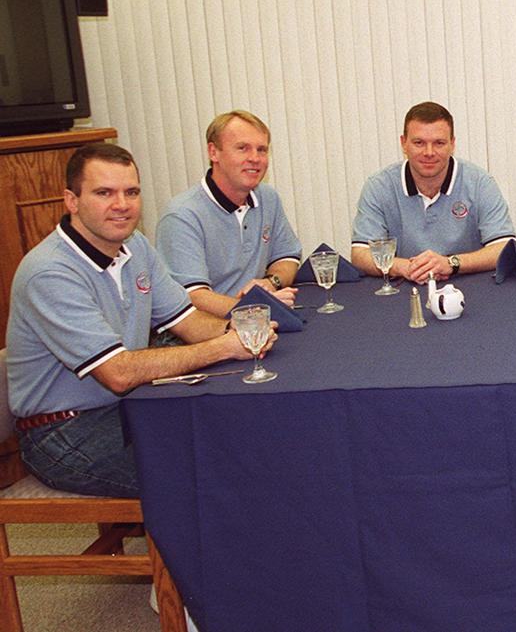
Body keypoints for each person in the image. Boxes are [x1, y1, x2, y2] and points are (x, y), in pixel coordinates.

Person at [5, 144, 275, 498]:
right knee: (218, 471)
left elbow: (188, 319)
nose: (122, 205)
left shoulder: (136, 247)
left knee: (240, 437)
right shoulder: (49, 272)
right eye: (104, 193)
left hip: (125, 407)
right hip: (63, 431)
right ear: (71, 200)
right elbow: (118, 373)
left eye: (131, 192)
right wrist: (222, 347)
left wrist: (239, 332)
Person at [156, 110, 303, 317]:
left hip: (255, 321)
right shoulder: (182, 216)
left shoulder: (267, 198)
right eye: (242, 148)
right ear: (213, 152)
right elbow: (193, 297)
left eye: (261, 150)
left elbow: (287, 257)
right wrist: (259, 309)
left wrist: (271, 282)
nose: (255, 158)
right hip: (208, 333)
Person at [351, 101, 516, 283]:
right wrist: (406, 267)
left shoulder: (480, 183)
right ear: (403, 143)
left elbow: (504, 247)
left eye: (439, 143)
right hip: (404, 287)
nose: (429, 152)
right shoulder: (379, 186)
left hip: (468, 287)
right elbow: (360, 255)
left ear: (452, 144)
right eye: (419, 143)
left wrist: (451, 263)